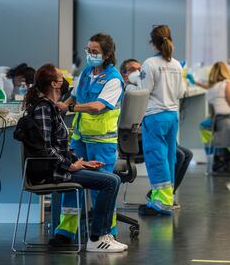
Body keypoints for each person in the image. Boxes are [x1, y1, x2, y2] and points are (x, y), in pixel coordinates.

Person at [23, 63, 126, 252]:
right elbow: (46, 149)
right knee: (110, 182)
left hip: (65, 164)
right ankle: (97, 238)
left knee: (113, 179)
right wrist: (70, 166)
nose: (65, 82)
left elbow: (57, 147)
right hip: (57, 172)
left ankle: (103, 235)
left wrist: (81, 162)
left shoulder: (52, 108)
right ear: (54, 84)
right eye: (61, 79)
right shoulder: (44, 109)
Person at [54, 33, 124, 243]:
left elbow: (97, 107)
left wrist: (71, 107)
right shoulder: (86, 72)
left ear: (107, 54)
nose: (90, 55)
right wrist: (65, 103)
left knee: (102, 188)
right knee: (70, 183)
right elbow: (76, 93)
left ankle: (105, 233)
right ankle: (65, 232)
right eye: (88, 51)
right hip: (80, 139)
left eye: (95, 52)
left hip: (102, 143)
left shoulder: (114, 79)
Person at [120, 58, 193, 208]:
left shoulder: (143, 91)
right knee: (178, 155)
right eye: (133, 70)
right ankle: (162, 196)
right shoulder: (127, 92)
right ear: (124, 75)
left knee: (186, 155)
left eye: (139, 70)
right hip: (135, 139)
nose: (138, 73)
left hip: (150, 131)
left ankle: (166, 195)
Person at [136, 25, 185, 216]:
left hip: (155, 116)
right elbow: (181, 92)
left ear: (152, 42)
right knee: (169, 158)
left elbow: (144, 91)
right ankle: (162, 198)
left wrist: (134, 80)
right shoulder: (176, 64)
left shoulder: (150, 63)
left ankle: (162, 203)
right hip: (172, 116)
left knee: (156, 159)